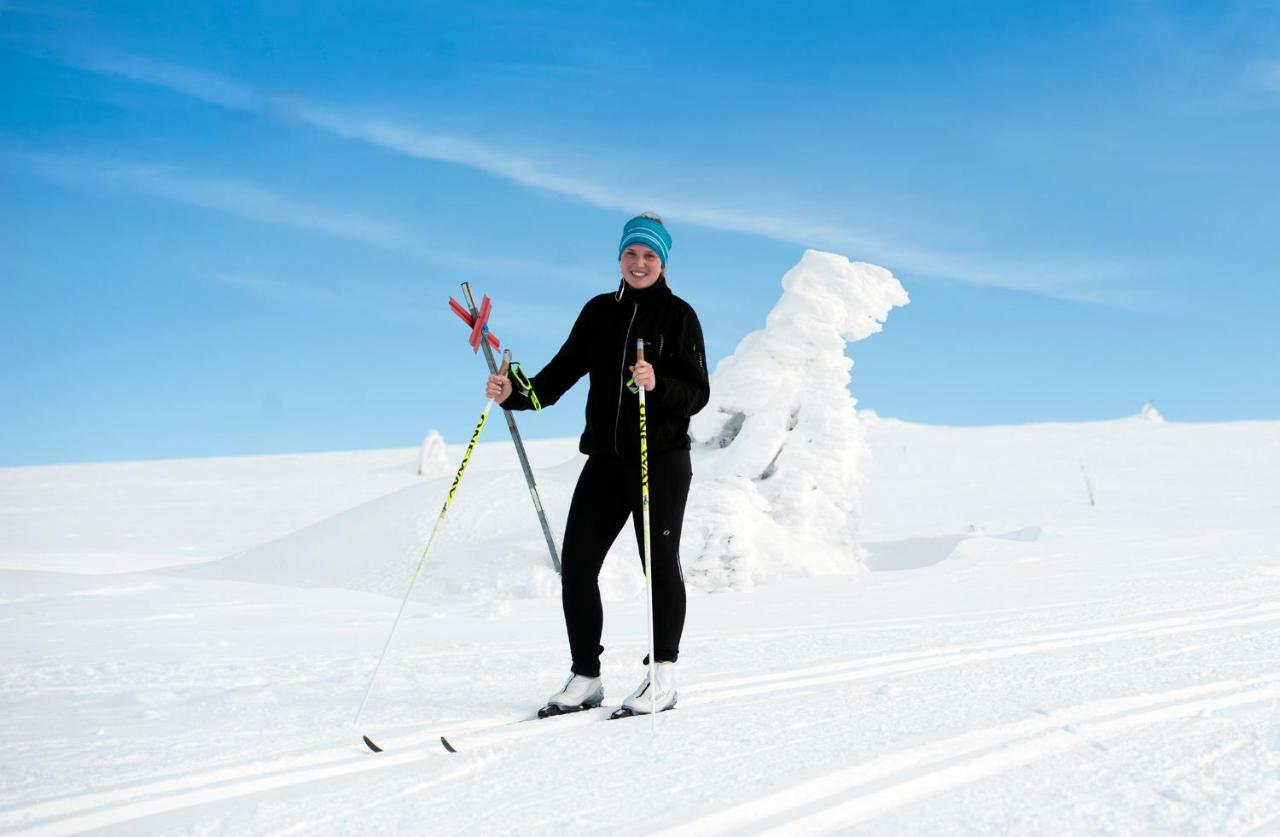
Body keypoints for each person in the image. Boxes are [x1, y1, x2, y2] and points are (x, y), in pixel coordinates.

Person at [486, 213, 710, 716]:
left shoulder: (679, 316)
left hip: (661, 458)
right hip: (606, 461)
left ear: (664, 262)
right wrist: (514, 394)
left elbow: (697, 393)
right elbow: (558, 376)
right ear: (619, 258)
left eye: (650, 255)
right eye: (631, 253)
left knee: (660, 566)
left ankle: (663, 678)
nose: (639, 263)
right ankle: (586, 676)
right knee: (579, 566)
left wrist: (659, 384)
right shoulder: (598, 313)